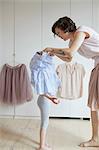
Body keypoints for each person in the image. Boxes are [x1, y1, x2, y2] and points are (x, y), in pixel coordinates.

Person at [43, 16, 99, 147]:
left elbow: (70, 51)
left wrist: (51, 49)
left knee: (95, 104)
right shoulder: (71, 43)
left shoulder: (81, 31)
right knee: (94, 104)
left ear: (65, 28)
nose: (58, 36)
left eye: (58, 33)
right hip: (97, 66)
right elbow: (68, 58)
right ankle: (96, 139)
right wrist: (55, 54)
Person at [30, 51, 60, 150]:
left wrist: (52, 98)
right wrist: (52, 98)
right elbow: (41, 91)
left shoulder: (38, 72)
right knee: (45, 122)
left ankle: (42, 143)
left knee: (45, 122)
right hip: (44, 100)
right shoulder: (42, 73)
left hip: (43, 100)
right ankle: (42, 146)